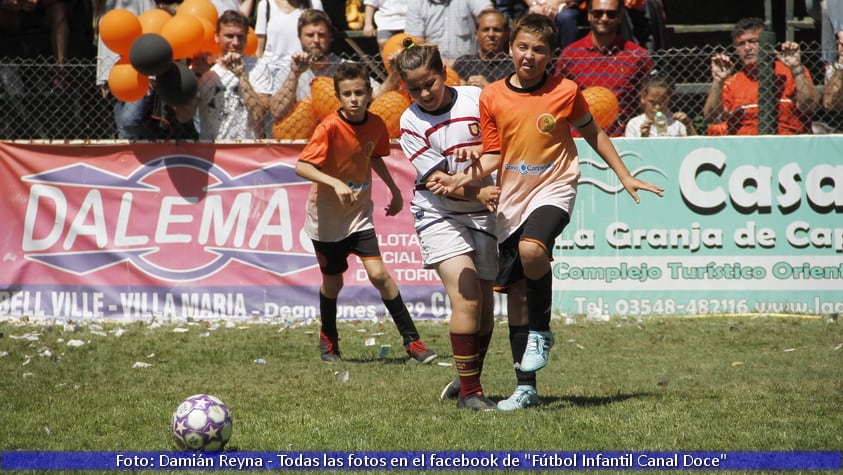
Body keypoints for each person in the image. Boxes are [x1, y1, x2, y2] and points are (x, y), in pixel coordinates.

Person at [427, 13, 663, 410]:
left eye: (539, 50)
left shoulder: (566, 91)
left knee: (534, 249)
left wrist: (624, 175)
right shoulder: (492, 96)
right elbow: (492, 155)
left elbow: (593, 132)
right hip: (511, 201)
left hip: (554, 187)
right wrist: (462, 181)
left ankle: (543, 330)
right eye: (523, 47)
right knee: (516, 296)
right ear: (510, 48)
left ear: (552, 55)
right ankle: (526, 388)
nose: (529, 55)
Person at [294, 61, 439, 365]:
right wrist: (334, 182)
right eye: (347, 94)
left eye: (359, 92)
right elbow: (302, 166)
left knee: (380, 276)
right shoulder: (329, 127)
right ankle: (329, 339)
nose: (354, 99)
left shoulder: (375, 124)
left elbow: (373, 156)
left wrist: (395, 190)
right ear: (339, 97)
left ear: (369, 93)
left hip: (359, 216)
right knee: (333, 283)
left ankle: (413, 343)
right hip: (327, 222)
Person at [393, 39, 499, 410]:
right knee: (467, 295)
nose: (424, 93)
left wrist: (484, 152)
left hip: (485, 212)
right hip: (439, 213)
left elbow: (503, 143)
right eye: (415, 88)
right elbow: (438, 182)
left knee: (485, 307)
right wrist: (479, 195)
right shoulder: (410, 121)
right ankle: (470, 396)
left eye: (430, 83)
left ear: (443, 74)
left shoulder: (478, 98)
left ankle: (469, 379)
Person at [702, 17, 820, 135]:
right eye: (741, 44)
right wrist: (718, 80)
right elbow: (713, 117)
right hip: (745, 145)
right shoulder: (732, 82)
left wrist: (796, 69)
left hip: (788, 142)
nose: (747, 48)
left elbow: (809, 106)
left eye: (753, 41)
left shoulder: (790, 72)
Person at [555, 0, 653, 136]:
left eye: (611, 14)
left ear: (620, 17)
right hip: (580, 140)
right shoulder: (570, 55)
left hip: (623, 140)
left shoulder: (637, 56)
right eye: (597, 13)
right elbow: (559, 101)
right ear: (589, 15)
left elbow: (648, 101)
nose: (604, 18)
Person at [173, 10, 271, 140]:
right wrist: (197, 77)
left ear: (247, 38)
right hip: (213, 150)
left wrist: (242, 76)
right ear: (217, 37)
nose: (235, 43)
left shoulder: (258, 67)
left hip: (249, 150)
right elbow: (183, 116)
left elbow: (259, 116)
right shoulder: (203, 69)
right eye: (229, 36)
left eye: (240, 36)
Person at [403, 0, 494, 66]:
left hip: (470, 66)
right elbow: (415, 43)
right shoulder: (416, 3)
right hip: (434, 66)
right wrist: (443, 62)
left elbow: (489, 13)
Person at [451, 9, 513, 89]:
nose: (491, 35)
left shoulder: (514, 67)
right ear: (476, 34)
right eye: (485, 30)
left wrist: (487, 87)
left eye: (497, 30)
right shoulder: (463, 63)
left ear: (506, 34)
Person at [625, 73, 697, 137]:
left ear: (669, 99)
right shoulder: (634, 124)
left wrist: (688, 125)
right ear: (643, 98)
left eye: (662, 102)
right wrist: (643, 137)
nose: (657, 107)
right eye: (652, 102)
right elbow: (631, 150)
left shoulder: (676, 122)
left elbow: (695, 145)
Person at [254, 0, 324, 59]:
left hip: (305, 68)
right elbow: (259, 50)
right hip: (272, 70)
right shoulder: (266, 5)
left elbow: (323, 40)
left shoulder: (314, 4)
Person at [822, 30, 843, 111]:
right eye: (841, 44)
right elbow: (829, 103)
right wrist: (841, 66)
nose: (842, 49)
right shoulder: (832, 68)